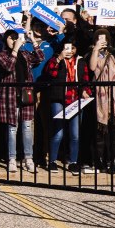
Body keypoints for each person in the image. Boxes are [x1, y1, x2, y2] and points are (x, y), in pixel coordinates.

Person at [0, 28, 43, 173]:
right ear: (5, 40)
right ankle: (12, 159)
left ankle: (28, 158)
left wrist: (32, 39)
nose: (14, 40)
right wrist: (15, 49)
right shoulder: (1, 55)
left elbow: (40, 57)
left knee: (27, 128)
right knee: (12, 129)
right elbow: (8, 66)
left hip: (26, 96)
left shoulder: (25, 54)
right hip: (10, 96)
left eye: (16, 38)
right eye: (11, 38)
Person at [45, 38, 92, 173]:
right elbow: (51, 73)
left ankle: (73, 161)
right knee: (58, 132)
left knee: (75, 134)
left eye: (72, 48)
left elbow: (85, 80)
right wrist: (59, 58)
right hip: (58, 99)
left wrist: (85, 91)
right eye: (67, 48)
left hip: (75, 100)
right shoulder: (56, 59)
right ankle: (52, 161)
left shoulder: (81, 61)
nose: (70, 51)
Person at [87, 26, 115, 174]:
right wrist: (96, 49)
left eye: (104, 38)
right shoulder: (92, 52)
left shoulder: (113, 52)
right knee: (100, 130)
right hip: (100, 95)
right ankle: (100, 161)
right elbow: (92, 67)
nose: (102, 40)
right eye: (99, 37)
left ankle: (114, 161)